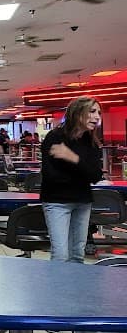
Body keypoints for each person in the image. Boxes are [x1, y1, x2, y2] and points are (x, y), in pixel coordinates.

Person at [40, 96, 104, 263]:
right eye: (92, 111)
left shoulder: (92, 142)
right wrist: (83, 172)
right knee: (61, 254)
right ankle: (58, 289)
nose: (97, 116)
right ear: (77, 114)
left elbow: (96, 176)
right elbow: (51, 176)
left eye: (99, 112)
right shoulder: (54, 138)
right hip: (57, 202)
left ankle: (75, 289)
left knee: (77, 254)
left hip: (82, 201)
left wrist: (72, 158)